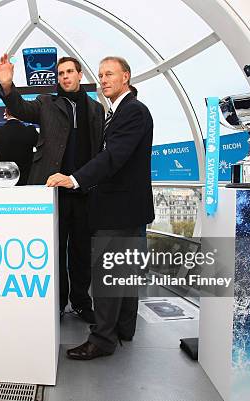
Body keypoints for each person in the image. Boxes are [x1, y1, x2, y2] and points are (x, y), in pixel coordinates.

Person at [47, 56, 155, 359]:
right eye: (101, 74)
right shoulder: (121, 112)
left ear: (126, 76)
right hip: (129, 209)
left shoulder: (132, 111)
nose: (104, 79)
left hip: (119, 210)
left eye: (110, 74)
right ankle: (124, 329)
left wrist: (73, 179)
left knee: (110, 275)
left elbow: (112, 158)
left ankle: (103, 340)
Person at [0, 54, 104, 323]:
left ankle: (81, 302)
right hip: (50, 189)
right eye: (60, 74)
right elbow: (19, 108)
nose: (65, 77)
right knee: (53, 250)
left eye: (69, 72)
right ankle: (56, 302)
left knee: (80, 251)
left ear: (80, 75)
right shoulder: (46, 103)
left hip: (84, 190)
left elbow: (99, 150)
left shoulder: (95, 109)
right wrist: (8, 84)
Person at [0, 108, 38, 186]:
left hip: (1, 177)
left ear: (6, 113)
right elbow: (41, 146)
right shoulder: (30, 130)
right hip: (26, 177)